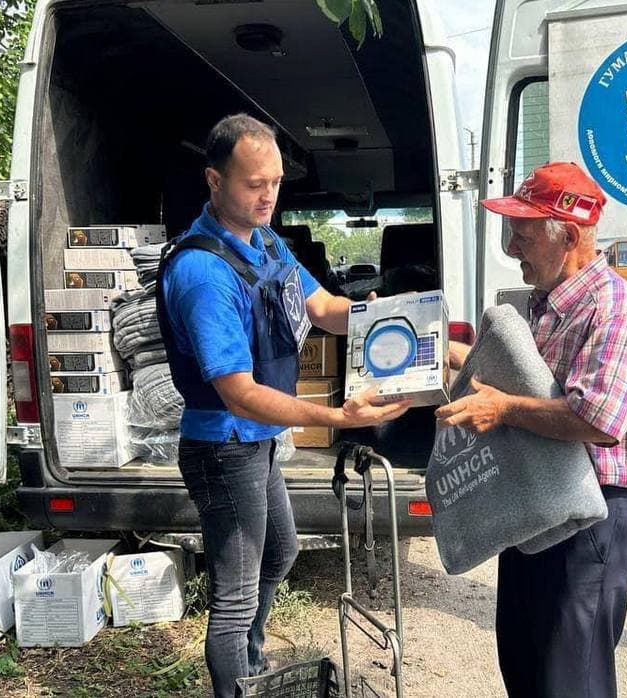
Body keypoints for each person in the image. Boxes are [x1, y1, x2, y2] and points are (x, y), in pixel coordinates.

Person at [156, 114, 410, 697]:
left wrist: (391, 315)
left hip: (258, 441)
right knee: (236, 594)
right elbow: (238, 392)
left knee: (283, 552)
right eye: (253, 183)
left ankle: (249, 665)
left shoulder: (265, 241)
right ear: (214, 181)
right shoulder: (203, 272)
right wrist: (337, 418)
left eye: (274, 181)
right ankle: (238, 682)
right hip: (223, 447)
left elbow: (323, 308)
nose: (268, 194)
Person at [435, 162, 627, 698]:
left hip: (594, 519)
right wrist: (443, 355)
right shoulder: (548, 303)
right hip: (541, 504)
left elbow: (599, 420)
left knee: (570, 681)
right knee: (527, 665)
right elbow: (538, 383)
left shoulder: (613, 308)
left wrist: (504, 410)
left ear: (572, 236)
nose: (512, 248)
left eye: (523, 233)